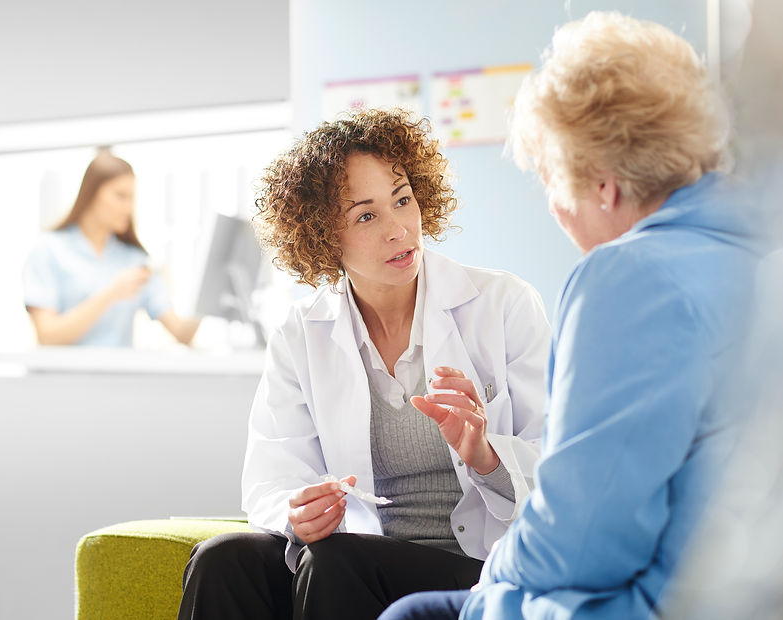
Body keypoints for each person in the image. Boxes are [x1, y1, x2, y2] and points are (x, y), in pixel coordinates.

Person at [379, 11, 763, 620]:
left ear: (604, 186)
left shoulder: (630, 277)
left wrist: (493, 580)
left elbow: (583, 537)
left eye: (552, 182)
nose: (556, 208)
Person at [177, 108, 550, 620]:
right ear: (322, 236)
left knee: (337, 560)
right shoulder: (301, 333)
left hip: (477, 566)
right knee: (224, 560)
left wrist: (485, 454)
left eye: (403, 200)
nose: (399, 229)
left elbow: (558, 467)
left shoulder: (503, 304)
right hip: (347, 560)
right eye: (367, 216)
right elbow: (272, 473)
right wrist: (298, 512)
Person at [22, 149, 199, 347]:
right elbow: (47, 336)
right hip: (64, 377)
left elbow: (182, 333)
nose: (128, 208)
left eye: (131, 198)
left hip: (117, 376)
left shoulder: (134, 260)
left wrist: (208, 293)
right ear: (91, 195)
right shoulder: (50, 250)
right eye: (120, 196)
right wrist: (112, 293)